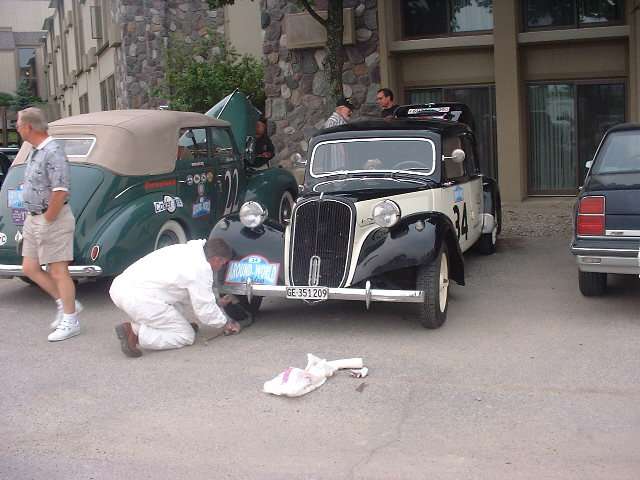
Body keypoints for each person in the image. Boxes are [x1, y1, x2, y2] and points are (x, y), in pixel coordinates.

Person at [109, 237, 241, 358]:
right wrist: (225, 323)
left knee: (178, 301)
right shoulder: (200, 269)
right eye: (223, 263)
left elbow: (193, 293)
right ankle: (135, 333)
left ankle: (172, 326)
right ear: (217, 259)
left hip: (122, 286)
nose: (221, 267)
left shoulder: (189, 251)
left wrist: (216, 302)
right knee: (186, 335)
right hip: (138, 298)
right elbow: (204, 310)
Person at [17, 107, 83, 342]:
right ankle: (66, 304)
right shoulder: (35, 151)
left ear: (29, 127)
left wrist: (47, 219)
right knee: (29, 268)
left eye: (18, 124)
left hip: (51, 218)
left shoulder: (53, 151)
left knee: (57, 270)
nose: (17, 128)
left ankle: (71, 320)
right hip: (33, 217)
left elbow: (60, 190)